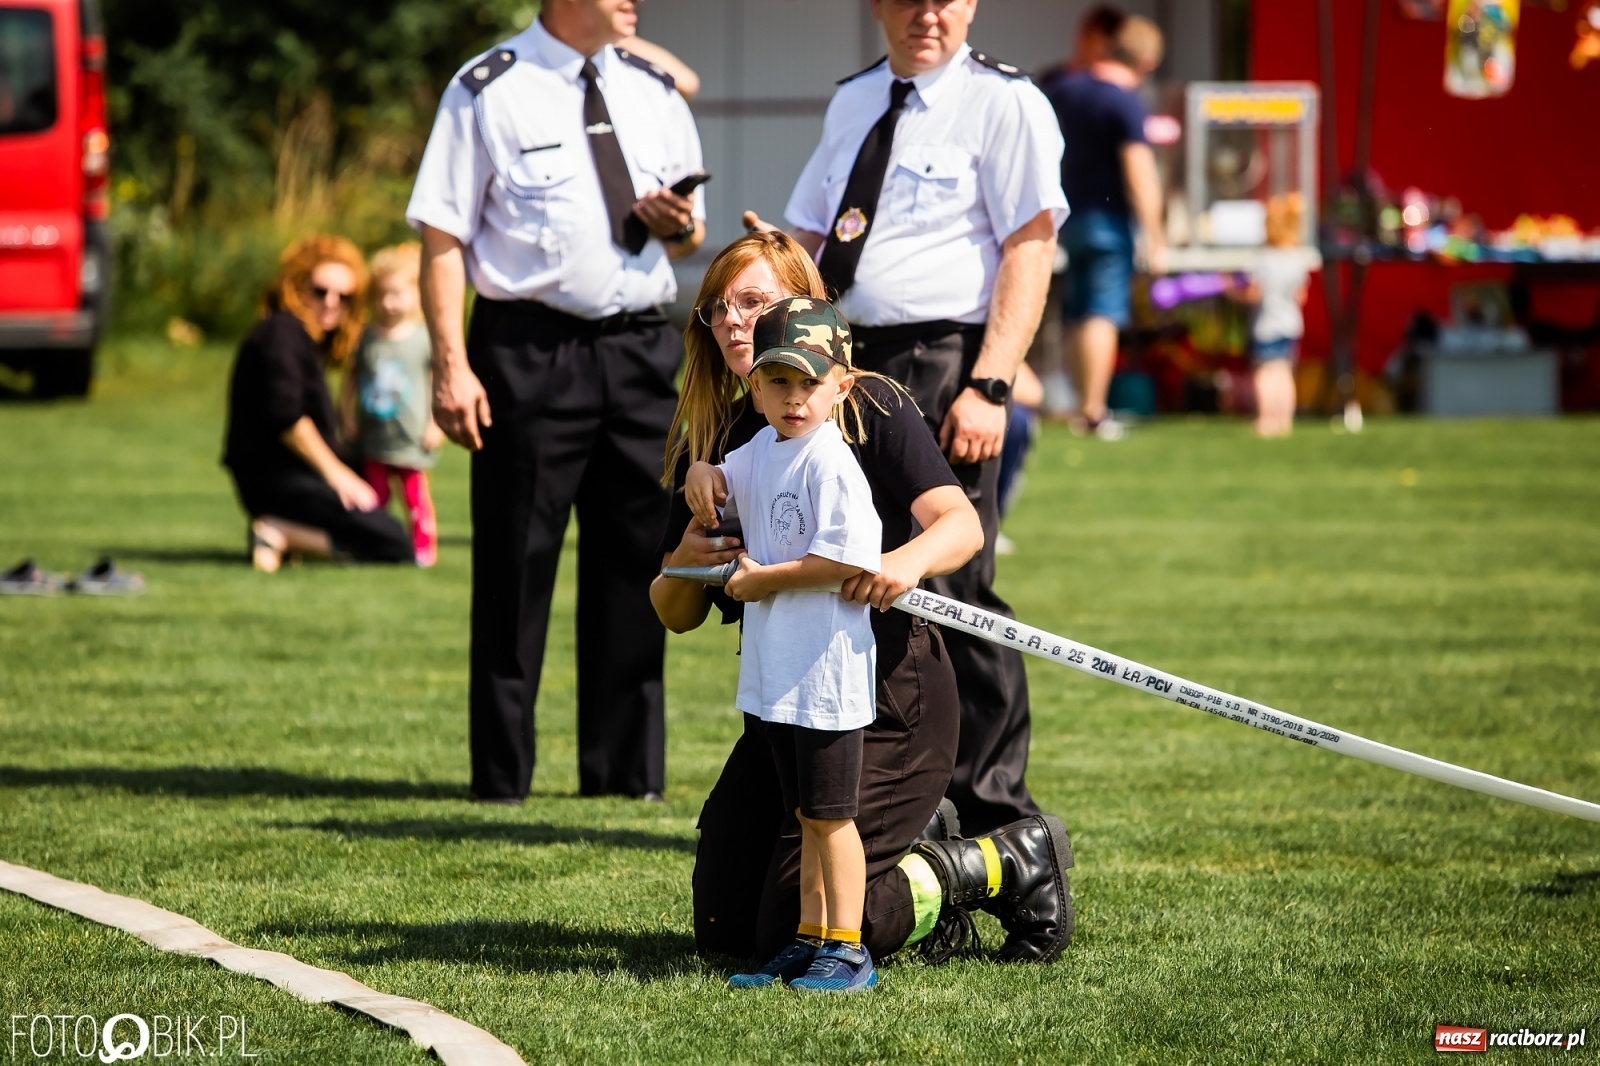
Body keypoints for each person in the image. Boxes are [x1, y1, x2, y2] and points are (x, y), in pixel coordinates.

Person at [651, 231, 1075, 970]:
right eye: (719, 308)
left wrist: (901, 564)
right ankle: (911, 848)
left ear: (804, 305)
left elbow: (961, 524)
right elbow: (674, 611)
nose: (734, 321)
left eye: (754, 301)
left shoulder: (864, 401)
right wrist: (683, 561)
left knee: (792, 926)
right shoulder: (719, 442)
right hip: (785, 702)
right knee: (724, 934)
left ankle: (991, 862)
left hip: (882, 700)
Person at [751, 0, 1068, 837]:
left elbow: (1030, 245)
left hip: (947, 360)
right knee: (859, 574)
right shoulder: (853, 99)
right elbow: (814, 234)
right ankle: (901, 797)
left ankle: (999, 811)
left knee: (954, 585)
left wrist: (992, 384)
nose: (927, 14)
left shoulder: (1005, 103)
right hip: (843, 363)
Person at [407, 0, 707, 803]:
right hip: (528, 351)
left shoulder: (653, 88)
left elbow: (687, 240)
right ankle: (501, 780)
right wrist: (450, 365)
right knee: (514, 569)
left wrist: (675, 223)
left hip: (642, 349)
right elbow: (441, 236)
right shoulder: (487, 88)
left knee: (639, 567)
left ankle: (623, 781)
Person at [684, 297, 884, 992]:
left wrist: (764, 581)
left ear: (841, 385)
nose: (794, 399)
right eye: (778, 382)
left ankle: (848, 946)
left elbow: (848, 562)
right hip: (781, 675)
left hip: (827, 674)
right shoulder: (761, 449)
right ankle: (808, 939)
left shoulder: (831, 463)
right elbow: (719, 479)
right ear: (755, 387)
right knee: (803, 816)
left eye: (809, 382)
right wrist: (698, 475)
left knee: (833, 819)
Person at [223, 235, 414, 573]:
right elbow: (288, 418)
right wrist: (338, 475)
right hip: (277, 479)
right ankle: (280, 532)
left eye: (345, 297)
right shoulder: (281, 332)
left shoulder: (301, 339)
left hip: (294, 476)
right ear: (296, 286)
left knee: (381, 523)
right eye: (320, 291)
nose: (331, 303)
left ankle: (286, 535)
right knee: (393, 542)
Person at [1042, 14, 1165, 441]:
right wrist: (1156, 233)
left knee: (1078, 312)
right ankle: (1093, 412)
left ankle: (1080, 403)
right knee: (1102, 312)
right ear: (1146, 62)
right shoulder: (1124, 100)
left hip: (1067, 216)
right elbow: (1139, 171)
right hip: (1108, 222)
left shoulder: (1061, 89)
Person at [342, 242, 442, 567]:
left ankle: (423, 547)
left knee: (415, 498)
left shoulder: (423, 338)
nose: (388, 302)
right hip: (374, 437)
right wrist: (347, 418)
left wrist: (436, 423)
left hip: (410, 437)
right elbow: (350, 381)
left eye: (397, 293)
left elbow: (436, 382)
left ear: (416, 293)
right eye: (381, 294)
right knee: (374, 497)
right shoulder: (367, 338)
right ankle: (375, 544)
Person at [1234, 193, 1311, 437]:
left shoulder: (1263, 260)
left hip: (1266, 325)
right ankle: (1284, 421)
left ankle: (1266, 421)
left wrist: (1231, 292)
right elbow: (1301, 297)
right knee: (1284, 373)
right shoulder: (1298, 259)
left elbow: (1254, 294)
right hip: (1291, 325)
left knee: (1265, 373)